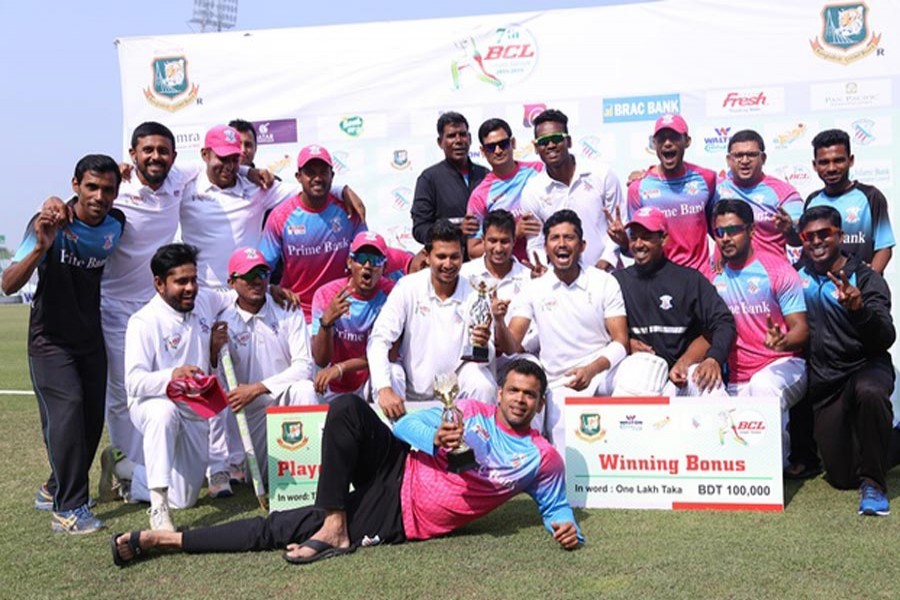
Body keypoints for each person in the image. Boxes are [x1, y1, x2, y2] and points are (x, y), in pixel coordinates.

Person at [110, 359, 582, 567]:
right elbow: (405, 429)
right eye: (514, 391)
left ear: (540, 403)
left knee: (285, 525)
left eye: (530, 395)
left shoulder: (540, 458)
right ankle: (334, 525)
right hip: (398, 466)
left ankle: (166, 539)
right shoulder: (472, 409)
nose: (520, 400)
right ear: (500, 392)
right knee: (346, 408)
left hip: (404, 515)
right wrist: (436, 437)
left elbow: (554, 505)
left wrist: (567, 530)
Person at [2, 155, 125, 533]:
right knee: (68, 412)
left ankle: (52, 487)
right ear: (75, 185)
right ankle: (68, 509)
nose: (99, 196)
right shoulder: (49, 222)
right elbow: (8, 283)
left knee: (90, 424)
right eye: (91, 187)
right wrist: (41, 247)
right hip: (50, 342)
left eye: (107, 189)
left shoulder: (116, 224)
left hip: (91, 339)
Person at [119, 243, 233, 531]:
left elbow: (236, 295)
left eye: (193, 279)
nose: (190, 288)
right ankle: (158, 508)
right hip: (151, 402)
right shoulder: (142, 322)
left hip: (195, 407)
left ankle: (127, 470)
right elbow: (134, 382)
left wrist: (274, 291)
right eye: (181, 281)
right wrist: (173, 375)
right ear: (159, 283)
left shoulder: (202, 300)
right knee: (163, 413)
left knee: (184, 500)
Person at [495, 210, 628, 457]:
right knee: (568, 462)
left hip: (604, 373)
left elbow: (621, 342)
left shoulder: (605, 281)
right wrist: (498, 321)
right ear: (545, 247)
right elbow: (513, 346)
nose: (562, 244)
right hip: (561, 382)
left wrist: (592, 369)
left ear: (582, 245)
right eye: (555, 238)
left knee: (643, 369)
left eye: (569, 238)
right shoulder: (534, 289)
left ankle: (637, 463)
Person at [793, 206, 897, 515]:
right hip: (827, 381)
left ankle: (875, 485)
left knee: (870, 391)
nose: (816, 242)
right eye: (808, 237)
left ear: (840, 235)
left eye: (824, 234)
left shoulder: (865, 277)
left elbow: (885, 337)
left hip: (867, 367)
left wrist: (859, 309)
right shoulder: (797, 277)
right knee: (841, 476)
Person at [209, 247, 318, 488]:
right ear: (232, 282)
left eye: (262, 273)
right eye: (249, 275)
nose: (257, 280)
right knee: (269, 480)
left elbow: (304, 367)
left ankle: (309, 479)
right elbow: (215, 379)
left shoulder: (287, 307)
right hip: (252, 413)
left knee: (305, 389)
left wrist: (258, 388)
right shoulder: (222, 319)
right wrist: (213, 353)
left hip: (285, 400)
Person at [367, 220, 497, 420]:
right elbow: (379, 339)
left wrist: (483, 344)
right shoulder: (407, 287)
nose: (448, 264)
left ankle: (477, 447)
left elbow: (486, 357)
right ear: (427, 257)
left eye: (454, 257)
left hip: (457, 388)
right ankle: (392, 448)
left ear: (463, 255)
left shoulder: (476, 293)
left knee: (482, 383)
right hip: (411, 389)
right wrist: (384, 389)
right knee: (390, 375)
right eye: (441, 256)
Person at [711, 200, 808, 466]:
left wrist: (783, 341)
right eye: (720, 233)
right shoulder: (713, 275)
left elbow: (801, 329)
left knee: (763, 386)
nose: (726, 238)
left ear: (752, 231)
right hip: (739, 375)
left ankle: (771, 472)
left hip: (784, 364)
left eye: (734, 230)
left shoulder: (777, 270)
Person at [611, 207, 734, 397]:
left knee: (711, 388)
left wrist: (713, 358)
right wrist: (626, 343)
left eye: (646, 237)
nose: (638, 244)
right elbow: (596, 330)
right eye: (634, 237)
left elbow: (723, 321)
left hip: (684, 375)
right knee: (637, 372)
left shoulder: (689, 280)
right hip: (639, 375)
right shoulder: (617, 282)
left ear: (664, 239)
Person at [181, 124, 299, 289]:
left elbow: (307, 191)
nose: (229, 166)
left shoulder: (259, 187)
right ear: (205, 155)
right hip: (200, 293)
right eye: (223, 158)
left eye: (234, 159)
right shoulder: (185, 188)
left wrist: (341, 191)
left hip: (245, 293)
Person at [259, 144, 367, 322]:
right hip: (297, 311)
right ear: (298, 177)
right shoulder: (280, 217)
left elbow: (365, 258)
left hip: (343, 308)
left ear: (332, 176)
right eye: (310, 172)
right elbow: (262, 266)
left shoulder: (349, 211)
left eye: (323, 172)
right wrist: (271, 288)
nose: (317, 178)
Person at [612, 114, 717, 275]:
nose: (667, 143)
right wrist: (623, 242)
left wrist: (721, 255)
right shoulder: (638, 187)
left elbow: (718, 229)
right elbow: (633, 250)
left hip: (700, 277)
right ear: (654, 144)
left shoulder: (707, 178)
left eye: (674, 137)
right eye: (661, 139)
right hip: (659, 279)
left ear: (687, 141)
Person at [520, 109, 625, 272]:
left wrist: (606, 261)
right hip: (561, 283)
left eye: (556, 139)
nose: (550, 145)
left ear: (568, 141)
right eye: (543, 141)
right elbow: (536, 242)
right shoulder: (532, 191)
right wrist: (543, 270)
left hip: (608, 274)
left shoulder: (602, 174)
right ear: (536, 147)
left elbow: (620, 223)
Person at [311, 232, 394, 400]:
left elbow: (389, 354)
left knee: (395, 372)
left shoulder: (392, 295)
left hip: (368, 381)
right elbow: (320, 360)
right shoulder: (326, 294)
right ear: (350, 262)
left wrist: (341, 368)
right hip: (330, 382)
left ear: (384, 268)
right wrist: (326, 323)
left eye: (376, 260)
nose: (368, 265)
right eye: (362, 258)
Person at [804, 128, 894, 273]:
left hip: (860, 291)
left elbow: (884, 248)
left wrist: (867, 284)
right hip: (824, 291)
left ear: (850, 160)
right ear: (815, 165)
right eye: (824, 162)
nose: (832, 168)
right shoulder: (812, 201)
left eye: (838, 160)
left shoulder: (871, 196)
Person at [460, 209, 539, 364]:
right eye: (493, 241)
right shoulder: (465, 273)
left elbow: (539, 326)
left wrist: (521, 346)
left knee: (533, 368)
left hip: (516, 356)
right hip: (472, 357)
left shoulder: (529, 278)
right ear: (483, 240)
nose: (498, 248)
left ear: (514, 241)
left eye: (504, 241)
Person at [715, 130, 804, 262]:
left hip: (771, 274)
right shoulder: (715, 190)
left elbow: (800, 240)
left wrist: (790, 230)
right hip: (728, 275)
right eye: (738, 155)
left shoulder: (785, 192)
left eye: (751, 155)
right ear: (729, 160)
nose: (745, 161)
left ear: (763, 158)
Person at [466, 118, 543, 263]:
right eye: (490, 147)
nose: (498, 151)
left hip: (551, 268)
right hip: (510, 275)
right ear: (482, 151)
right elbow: (473, 250)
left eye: (503, 144)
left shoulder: (539, 170)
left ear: (512, 143)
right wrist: (513, 233)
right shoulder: (479, 196)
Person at [410, 112, 488, 250]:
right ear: (440, 142)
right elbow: (420, 229)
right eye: (451, 136)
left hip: (486, 260)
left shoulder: (485, 175)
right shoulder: (429, 179)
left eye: (462, 134)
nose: (458, 141)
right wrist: (455, 230)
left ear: (469, 139)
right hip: (449, 264)